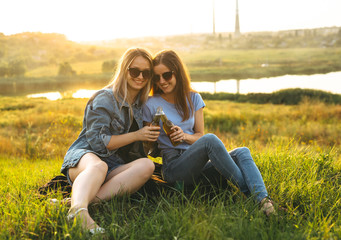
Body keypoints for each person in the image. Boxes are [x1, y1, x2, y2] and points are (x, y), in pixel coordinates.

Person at [142, 49, 275, 216]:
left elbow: (199, 136)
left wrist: (184, 136)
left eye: (167, 75)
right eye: (157, 77)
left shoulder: (194, 98)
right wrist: (150, 135)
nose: (162, 81)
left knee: (242, 152)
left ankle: (264, 200)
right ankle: (253, 197)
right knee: (210, 140)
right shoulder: (150, 103)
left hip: (198, 162)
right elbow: (146, 144)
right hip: (174, 167)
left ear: (177, 73)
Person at [60, 47, 160, 234]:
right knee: (99, 166)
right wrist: (137, 135)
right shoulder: (104, 98)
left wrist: (151, 140)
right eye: (134, 71)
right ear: (124, 70)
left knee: (147, 166)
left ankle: (77, 201)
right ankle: (79, 212)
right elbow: (98, 142)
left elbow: (140, 151)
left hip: (115, 166)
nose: (140, 77)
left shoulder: (141, 104)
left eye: (146, 73)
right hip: (86, 158)